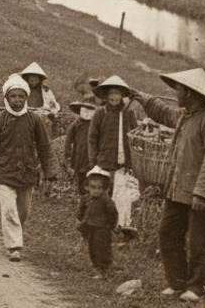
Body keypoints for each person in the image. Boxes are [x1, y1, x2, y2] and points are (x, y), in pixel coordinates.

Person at [129, 69, 205, 303]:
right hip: (176, 190)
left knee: (198, 241)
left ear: (191, 94)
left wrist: (202, 193)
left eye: (180, 89)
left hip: (198, 195)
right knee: (167, 232)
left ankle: (196, 285)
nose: (176, 93)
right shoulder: (186, 116)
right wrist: (143, 98)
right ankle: (177, 282)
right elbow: (163, 113)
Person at [0, 74, 58, 263]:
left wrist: (51, 173)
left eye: (21, 96)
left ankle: (13, 233)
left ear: (26, 98)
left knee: (22, 212)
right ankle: (14, 247)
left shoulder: (34, 120)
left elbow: (45, 148)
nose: (17, 100)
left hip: (28, 173)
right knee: (9, 210)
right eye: (13, 96)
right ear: (6, 98)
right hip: (4, 173)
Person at [88, 75, 139, 236]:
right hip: (103, 161)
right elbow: (92, 138)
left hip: (123, 163)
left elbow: (135, 138)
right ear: (106, 96)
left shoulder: (129, 114)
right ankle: (96, 225)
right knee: (101, 195)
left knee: (122, 197)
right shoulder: (100, 114)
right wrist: (94, 160)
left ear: (122, 95)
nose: (114, 97)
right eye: (111, 94)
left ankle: (119, 227)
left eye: (117, 94)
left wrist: (133, 162)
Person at [76, 166, 118, 278]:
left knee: (102, 248)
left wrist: (111, 225)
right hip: (89, 227)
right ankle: (96, 266)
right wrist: (79, 220)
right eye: (92, 187)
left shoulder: (106, 200)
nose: (95, 190)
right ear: (87, 187)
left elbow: (113, 213)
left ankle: (103, 268)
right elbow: (81, 211)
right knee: (92, 247)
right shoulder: (86, 199)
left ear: (105, 189)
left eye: (99, 188)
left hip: (102, 228)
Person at [65, 101, 95, 196]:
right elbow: (68, 139)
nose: (87, 113)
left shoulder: (96, 123)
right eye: (85, 110)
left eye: (89, 110)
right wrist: (68, 153)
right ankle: (82, 195)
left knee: (92, 175)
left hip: (93, 154)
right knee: (81, 175)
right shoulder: (76, 123)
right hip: (80, 154)